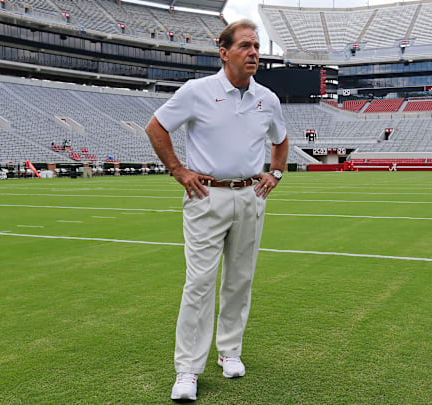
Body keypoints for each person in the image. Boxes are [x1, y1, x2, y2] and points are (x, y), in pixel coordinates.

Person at [145, 19, 288, 402]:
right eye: (245, 46)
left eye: (256, 46)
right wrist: (177, 170)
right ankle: (188, 370)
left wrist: (274, 173)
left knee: (240, 279)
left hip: (249, 196)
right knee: (200, 283)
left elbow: (281, 139)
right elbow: (156, 127)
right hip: (206, 196)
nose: (254, 52)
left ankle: (230, 352)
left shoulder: (267, 99)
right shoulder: (197, 92)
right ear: (224, 53)